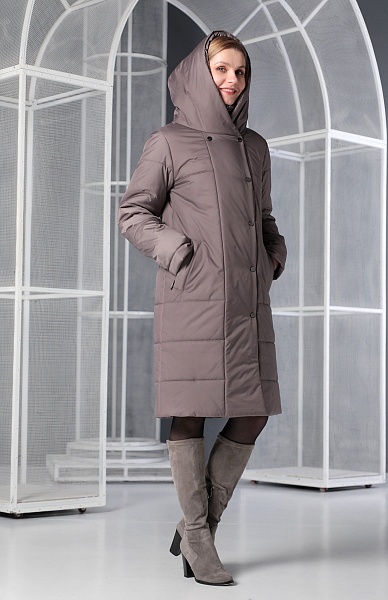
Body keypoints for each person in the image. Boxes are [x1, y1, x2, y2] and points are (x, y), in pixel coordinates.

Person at [118, 30, 287, 586]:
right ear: (199, 73)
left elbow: (264, 218)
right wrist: (179, 252)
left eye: (240, 72)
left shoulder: (255, 146)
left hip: (246, 303)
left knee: (253, 412)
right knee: (190, 411)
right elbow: (133, 213)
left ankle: (196, 532)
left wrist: (272, 256)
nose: (232, 80)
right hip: (193, 297)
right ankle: (198, 533)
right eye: (221, 69)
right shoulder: (169, 141)